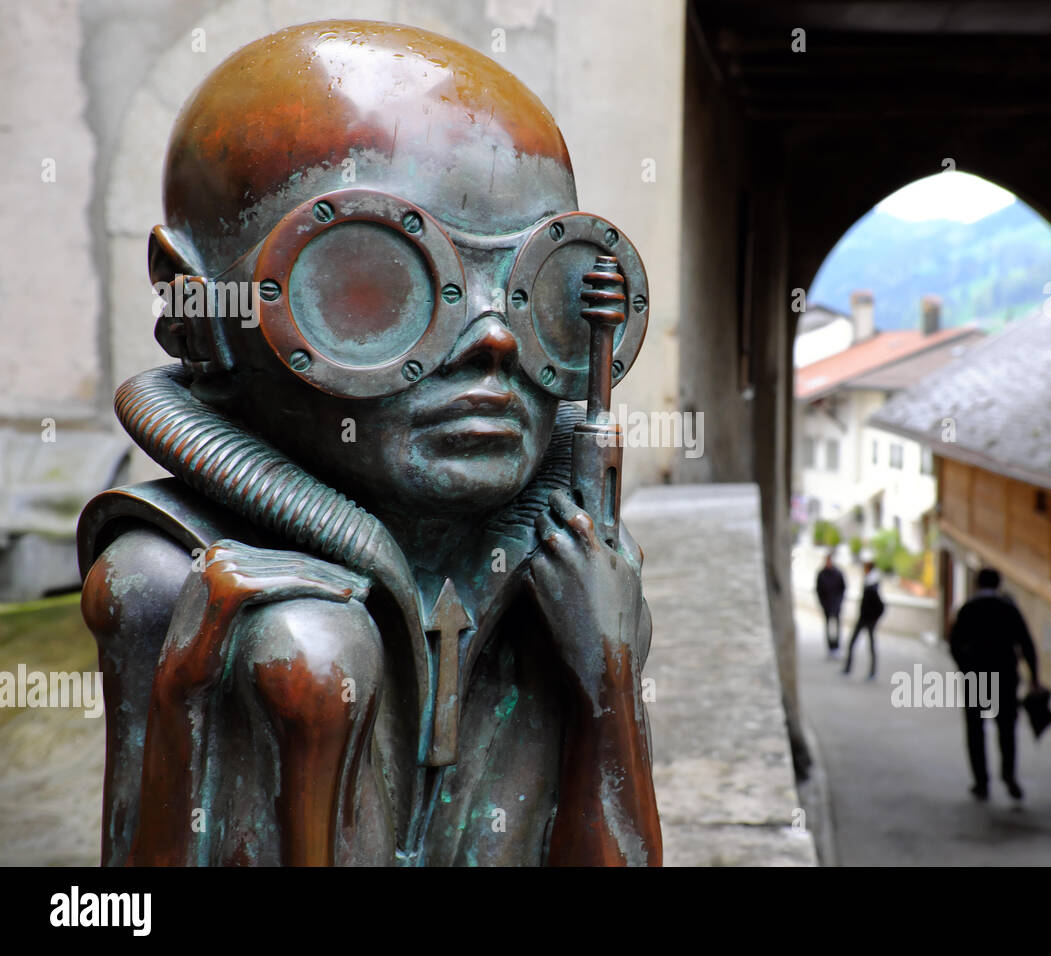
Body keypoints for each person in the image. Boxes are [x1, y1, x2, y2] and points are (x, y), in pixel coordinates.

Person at [77, 22, 660, 867]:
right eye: (373, 279)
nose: (494, 338)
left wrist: (604, 676)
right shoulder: (167, 584)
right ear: (198, 310)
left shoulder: (568, 568)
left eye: (544, 283)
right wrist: (183, 693)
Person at [948, 567, 1039, 801]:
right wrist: (1034, 678)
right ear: (999, 584)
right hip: (1005, 677)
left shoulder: (969, 608)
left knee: (975, 731)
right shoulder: (1009, 609)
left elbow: (955, 643)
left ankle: (981, 782)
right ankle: (1009, 775)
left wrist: (964, 667)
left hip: (976, 677)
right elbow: (1027, 644)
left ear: (977, 583)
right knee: (1007, 729)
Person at [843, 560, 885, 679]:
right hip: (866, 618)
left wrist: (872, 617)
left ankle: (870, 672)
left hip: (867, 619)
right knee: (863, 645)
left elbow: (879, 606)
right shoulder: (871, 583)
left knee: (861, 644)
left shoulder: (871, 586)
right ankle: (853, 668)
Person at [815, 551, 847, 655]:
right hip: (826, 604)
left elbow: (843, 588)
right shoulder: (821, 574)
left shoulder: (838, 573)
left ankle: (836, 646)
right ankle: (830, 647)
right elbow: (818, 589)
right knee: (828, 626)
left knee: (837, 626)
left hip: (836, 604)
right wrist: (822, 603)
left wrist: (839, 601)